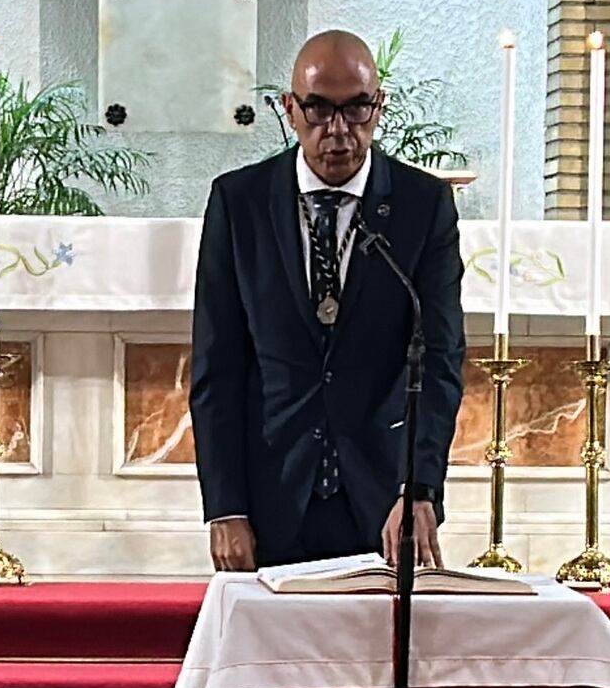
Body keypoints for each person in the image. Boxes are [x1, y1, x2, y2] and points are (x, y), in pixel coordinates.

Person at [191, 28, 463, 570]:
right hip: (269, 496)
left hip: (385, 500)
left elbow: (439, 362)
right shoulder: (239, 203)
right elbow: (217, 367)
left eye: (357, 109)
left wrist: (419, 487)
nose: (338, 131)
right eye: (318, 110)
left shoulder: (422, 206)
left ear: (379, 106)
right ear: (289, 108)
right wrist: (224, 508)